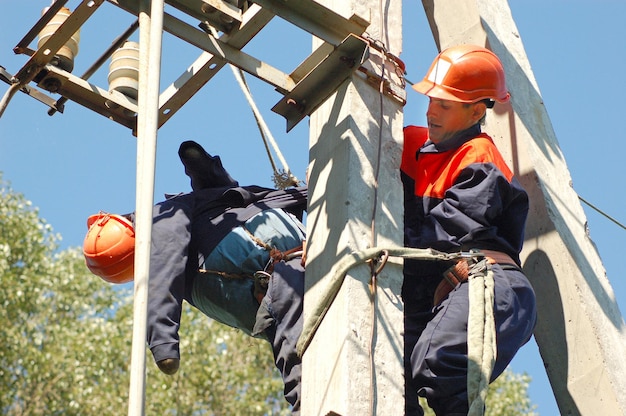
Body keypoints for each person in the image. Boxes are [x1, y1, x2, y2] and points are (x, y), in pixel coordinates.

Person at [83, 140, 306, 413]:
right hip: (283, 276)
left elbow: (218, 188)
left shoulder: (198, 212)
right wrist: (164, 343)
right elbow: (163, 273)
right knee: (306, 358)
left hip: (284, 277)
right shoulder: (162, 223)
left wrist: (199, 165)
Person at [400, 44, 537, 415]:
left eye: (444, 104)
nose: (431, 111)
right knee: (389, 373)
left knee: (437, 361)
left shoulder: (479, 158)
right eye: (430, 100)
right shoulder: (407, 146)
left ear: (476, 110)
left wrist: (373, 244)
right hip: (443, 289)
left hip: (492, 284)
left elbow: (444, 235)